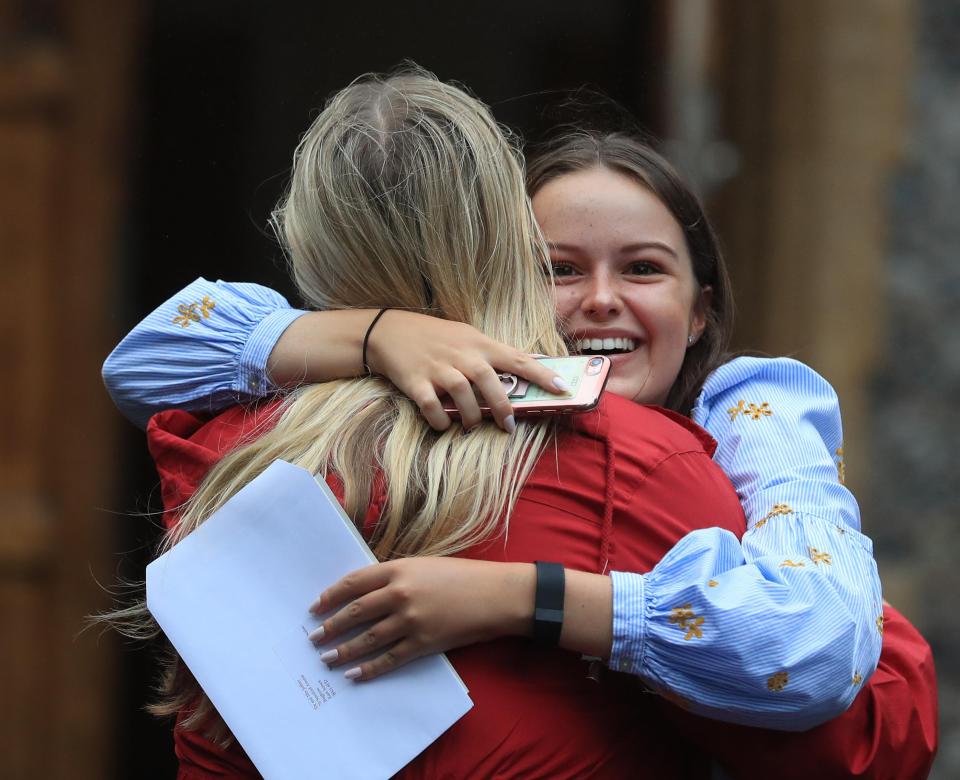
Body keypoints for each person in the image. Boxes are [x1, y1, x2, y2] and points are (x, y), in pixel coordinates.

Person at [105, 74, 937, 776]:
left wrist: (520, 596)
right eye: (558, 269)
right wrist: (376, 333)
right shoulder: (643, 466)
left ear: (701, 307)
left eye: (644, 268)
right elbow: (856, 733)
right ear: (500, 260)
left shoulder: (215, 439)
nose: (602, 300)